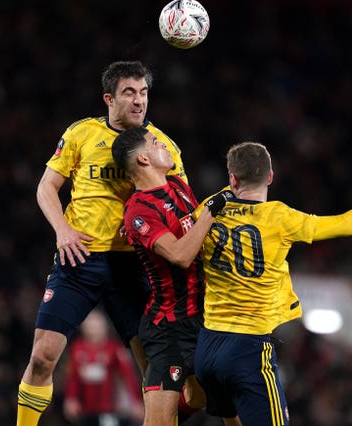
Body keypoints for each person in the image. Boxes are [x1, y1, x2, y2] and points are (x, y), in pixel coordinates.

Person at [193, 141, 352, 426]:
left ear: (231, 178)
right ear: (270, 177)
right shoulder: (281, 217)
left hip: (207, 346)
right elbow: (346, 224)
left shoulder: (209, 209)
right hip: (247, 347)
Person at [16, 60, 188, 426]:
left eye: (143, 92)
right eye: (129, 92)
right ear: (109, 97)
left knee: (153, 369)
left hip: (136, 266)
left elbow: (181, 201)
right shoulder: (81, 134)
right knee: (43, 356)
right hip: (79, 260)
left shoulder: (161, 146)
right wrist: (62, 230)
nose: (139, 101)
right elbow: (46, 187)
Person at [111, 127, 239, 426]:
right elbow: (181, 255)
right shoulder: (139, 212)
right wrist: (210, 211)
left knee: (202, 398)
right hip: (170, 328)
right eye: (156, 142)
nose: (164, 144)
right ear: (143, 158)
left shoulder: (178, 185)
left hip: (206, 316)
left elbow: (198, 236)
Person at [63, 309, 144, 426]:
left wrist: (135, 401)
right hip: (85, 410)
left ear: (104, 326)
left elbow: (128, 376)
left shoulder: (115, 349)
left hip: (111, 409)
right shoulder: (76, 349)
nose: (93, 328)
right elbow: (72, 377)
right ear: (83, 327)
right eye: (90, 324)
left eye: (96, 324)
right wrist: (70, 398)